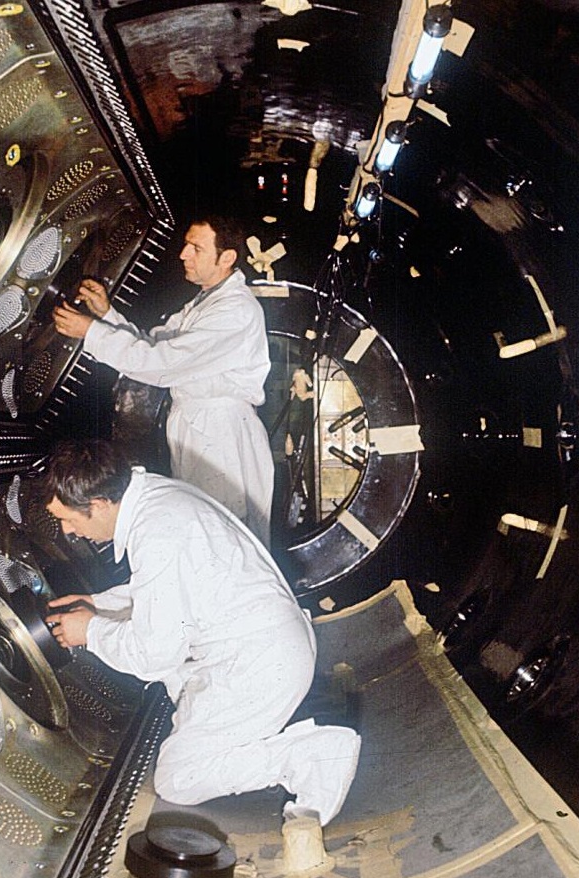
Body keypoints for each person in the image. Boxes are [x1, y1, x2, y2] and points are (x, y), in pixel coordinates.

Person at [40, 439, 361, 839]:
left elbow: (153, 654)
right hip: (264, 647)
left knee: (179, 778)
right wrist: (97, 604)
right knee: (188, 720)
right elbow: (170, 591)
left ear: (101, 503)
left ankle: (309, 755)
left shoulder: (158, 533)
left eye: (69, 519)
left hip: (258, 667)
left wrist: (90, 631)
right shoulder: (155, 499)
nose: (68, 531)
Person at [52, 216, 274, 544]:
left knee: (220, 537)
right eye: (186, 245)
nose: (183, 254)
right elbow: (156, 343)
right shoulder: (204, 303)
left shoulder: (235, 310)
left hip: (220, 434)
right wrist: (107, 315)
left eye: (196, 248)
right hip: (199, 428)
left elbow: (162, 364)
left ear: (226, 258)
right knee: (202, 532)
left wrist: (91, 331)